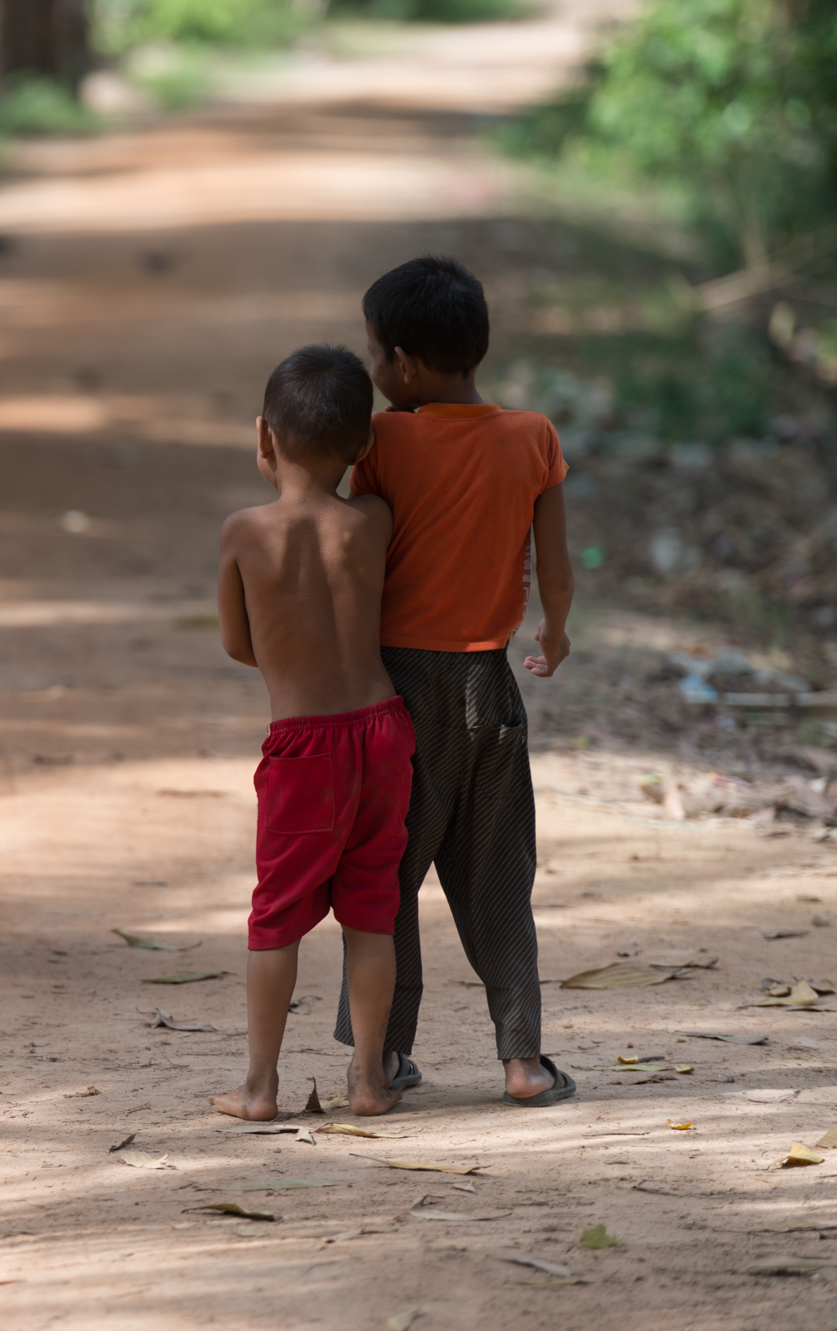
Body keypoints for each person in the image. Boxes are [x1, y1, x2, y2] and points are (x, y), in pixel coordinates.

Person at [330, 254, 578, 1108]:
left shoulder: (384, 439)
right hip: (488, 682)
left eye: (372, 352)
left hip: (397, 689)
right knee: (499, 874)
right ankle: (521, 1059)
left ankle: (381, 1058)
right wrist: (555, 626)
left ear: (401, 361)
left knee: (385, 872)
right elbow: (555, 561)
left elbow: (357, 548)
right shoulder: (533, 436)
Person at [209, 344, 413, 1121]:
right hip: (384, 732)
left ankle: (260, 1085)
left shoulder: (244, 531)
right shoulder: (374, 519)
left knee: (277, 916)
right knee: (371, 913)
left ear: (263, 437)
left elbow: (236, 643)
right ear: (363, 447)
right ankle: (369, 1079)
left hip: (303, 747)